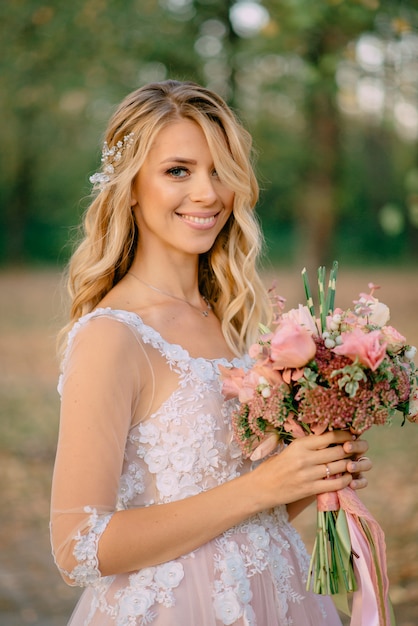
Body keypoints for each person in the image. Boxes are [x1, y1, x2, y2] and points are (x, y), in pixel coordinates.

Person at [50, 80, 372, 626]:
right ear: (130, 186)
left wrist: (312, 474)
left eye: (220, 171)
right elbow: (78, 548)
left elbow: (254, 514)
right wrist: (261, 487)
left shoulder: (239, 324)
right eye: (179, 170)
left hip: (280, 598)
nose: (208, 193)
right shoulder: (113, 336)